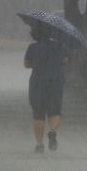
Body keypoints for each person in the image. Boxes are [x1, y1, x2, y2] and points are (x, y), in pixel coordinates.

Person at [24, 23, 67, 153]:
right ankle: (52, 131)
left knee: (38, 115)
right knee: (55, 111)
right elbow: (65, 61)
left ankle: (39, 144)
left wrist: (37, 62)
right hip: (55, 82)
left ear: (35, 33)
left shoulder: (32, 47)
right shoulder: (59, 46)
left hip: (37, 83)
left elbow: (26, 64)